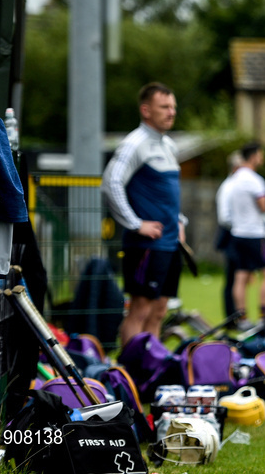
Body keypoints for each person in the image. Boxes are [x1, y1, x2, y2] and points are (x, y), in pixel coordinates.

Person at [101, 82, 186, 347]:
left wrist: (180, 221)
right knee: (141, 309)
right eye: (164, 107)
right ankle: (130, 377)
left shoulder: (169, 145)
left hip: (171, 244)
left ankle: (149, 369)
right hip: (147, 245)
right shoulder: (134, 143)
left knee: (160, 310)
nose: (171, 112)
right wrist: (136, 224)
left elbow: (166, 194)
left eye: (173, 106)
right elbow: (110, 182)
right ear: (146, 110)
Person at [228, 141, 265, 326]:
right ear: (255, 155)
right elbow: (264, 207)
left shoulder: (234, 179)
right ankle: (263, 317)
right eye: (261, 155)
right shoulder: (254, 180)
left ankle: (243, 319)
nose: (262, 158)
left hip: (238, 233)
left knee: (240, 276)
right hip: (256, 234)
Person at [215, 150, 243, 318]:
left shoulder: (236, 185)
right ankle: (230, 314)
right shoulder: (228, 187)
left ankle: (235, 314)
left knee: (237, 276)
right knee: (232, 276)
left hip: (236, 233)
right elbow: (224, 216)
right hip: (232, 235)